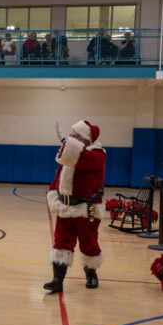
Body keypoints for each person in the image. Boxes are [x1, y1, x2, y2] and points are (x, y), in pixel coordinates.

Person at [44, 120, 106, 293]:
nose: (72, 139)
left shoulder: (97, 154)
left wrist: (66, 142)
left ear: (86, 139)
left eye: (76, 136)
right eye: (71, 136)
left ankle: (91, 273)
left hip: (87, 210)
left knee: (89, 243)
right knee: (61, 244)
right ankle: (57, 280)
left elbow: (82, 159)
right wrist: (52, 195)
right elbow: (59, 175)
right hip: (66, 208)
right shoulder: (70, 154)